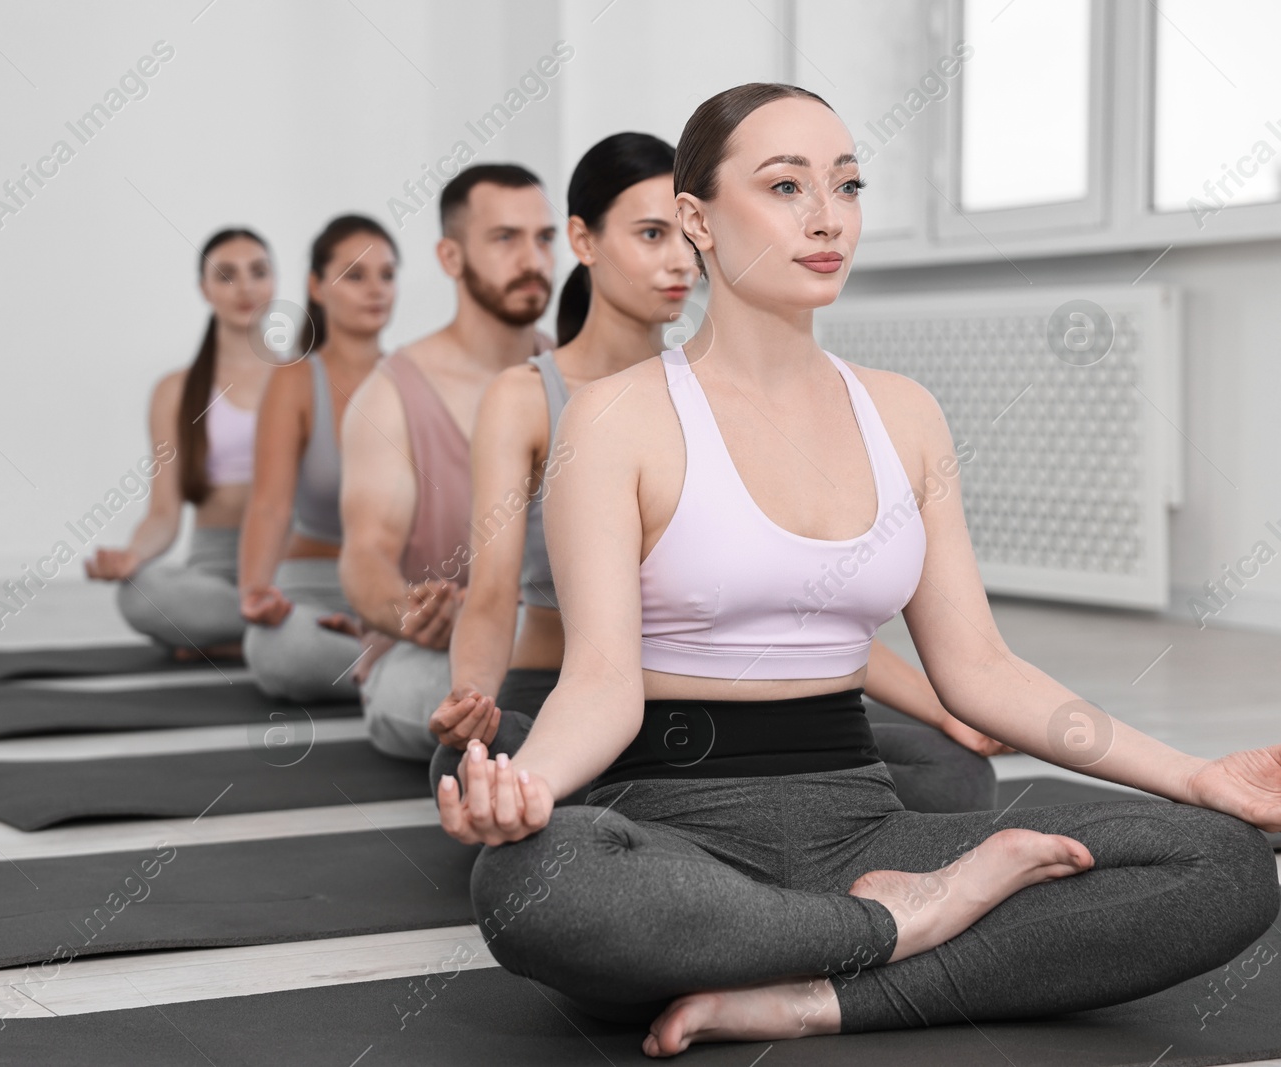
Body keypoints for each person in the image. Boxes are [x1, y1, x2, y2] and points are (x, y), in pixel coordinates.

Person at [437, 83, 1280, 1056]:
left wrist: (1196, 776)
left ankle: (814, 991)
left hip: (862, 823)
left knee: (1219, 862)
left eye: (845, 182)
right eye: (785, 185)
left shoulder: (904, 413)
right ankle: (897, 931)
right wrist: (519, 786)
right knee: (532, 883)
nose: (827, 215)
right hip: (672, 827)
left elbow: (981, 669)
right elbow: (598, 683)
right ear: (697, 219)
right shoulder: (616, 416)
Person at [427, 132, 1013, 814]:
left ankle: (714, 839)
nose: (680, 260)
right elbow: (492, 594)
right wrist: (470, 696)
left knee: (956, 774)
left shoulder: (727, 394)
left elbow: (797, 608)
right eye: (651, 235)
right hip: (564, 695)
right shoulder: (528, 397)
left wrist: (948, 710)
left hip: (731, 715)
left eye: (683, 236)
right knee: (471, 769)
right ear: (584, 243)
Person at [339, 163, 556, 759]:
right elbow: (366, 551)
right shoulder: (389, 395)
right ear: (451, 257)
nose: (533, 259)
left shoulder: (573, 374)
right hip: (432, 652)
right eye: (505, 238)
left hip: (554, 640)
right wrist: (406, 612)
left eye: (544, 238)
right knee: (476, 707)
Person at [84, 229, 275, 660]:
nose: (245, 287)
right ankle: (271, 632)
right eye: (226, 275)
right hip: (215, 568)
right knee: (141, 594)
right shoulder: (175, 391)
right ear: (204, 289)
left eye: (258, 272)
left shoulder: (305, 378)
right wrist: (131, 557)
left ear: (275, 283)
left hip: (287, 562)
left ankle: (233, 639)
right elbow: (164, 514)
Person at [238, 215, 398, 701]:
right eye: (355, 275)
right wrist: (256, 594)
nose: (376, 290)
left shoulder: (414, 378)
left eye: (387, 275)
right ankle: (389, 671)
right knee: (280, 651)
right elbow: (270, 506)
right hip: (313, 589)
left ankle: (386, 655)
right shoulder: (296, 380)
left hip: (391, 592)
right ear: (316, 285)